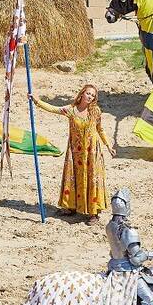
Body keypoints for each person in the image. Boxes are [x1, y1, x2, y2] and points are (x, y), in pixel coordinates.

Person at [29, 84, 115, 223]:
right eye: (88, 93)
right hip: (75, 152)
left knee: (92, 179)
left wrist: (109, 146)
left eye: (93, 95)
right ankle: (71, 207)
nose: (90, 97)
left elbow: (100, 130)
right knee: (73, 178)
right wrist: (37, 101)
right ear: (82, 94)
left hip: (92, 153)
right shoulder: (71, 110)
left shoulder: (96, 112)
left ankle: (93, 213)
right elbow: (53, 109)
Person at [105, 189, 153, 305]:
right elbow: (137, 259)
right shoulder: (128, 230)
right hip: (127, 273)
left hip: (113, 267)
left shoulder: (110, 225)